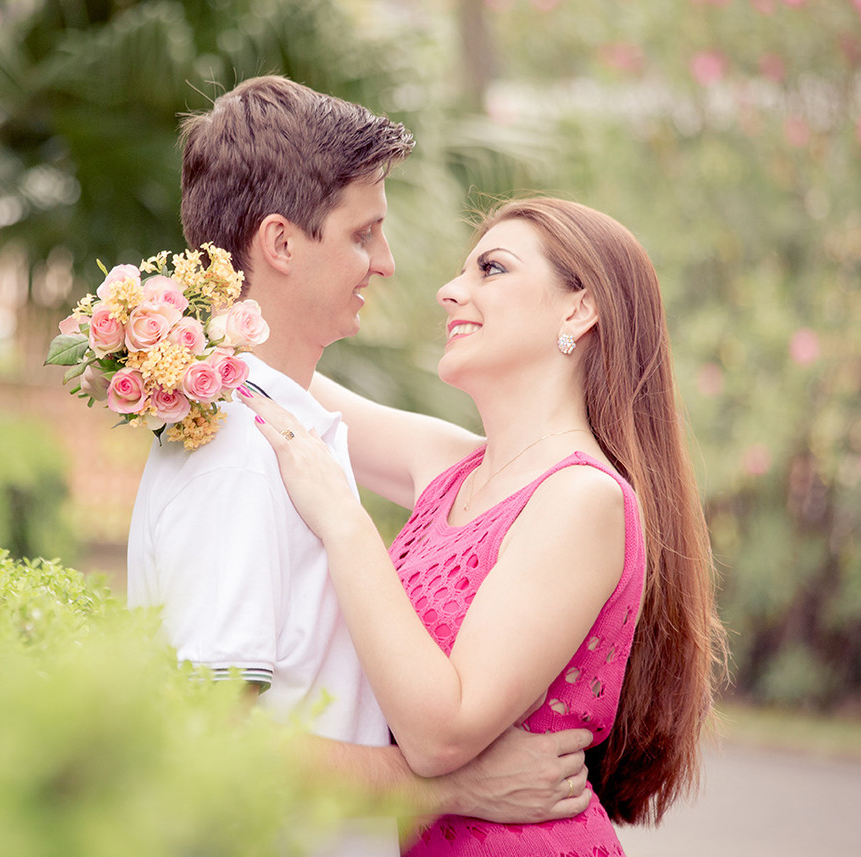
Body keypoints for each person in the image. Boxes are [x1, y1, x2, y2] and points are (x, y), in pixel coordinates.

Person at [127, 79, 594, 856]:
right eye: (362, 234)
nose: (387, 262)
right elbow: (208, 743)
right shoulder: (245, 457)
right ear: (280, 243)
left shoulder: (284, 422)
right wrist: (451, 788)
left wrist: (192, 336)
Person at [242, 195, 729, 854]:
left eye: (491, 269)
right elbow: (272, 379)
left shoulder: (582, 499)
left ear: (578, 308)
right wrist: (152, 328)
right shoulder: (448, 466)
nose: (450, 291)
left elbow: (440, 732)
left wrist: (345, 521)